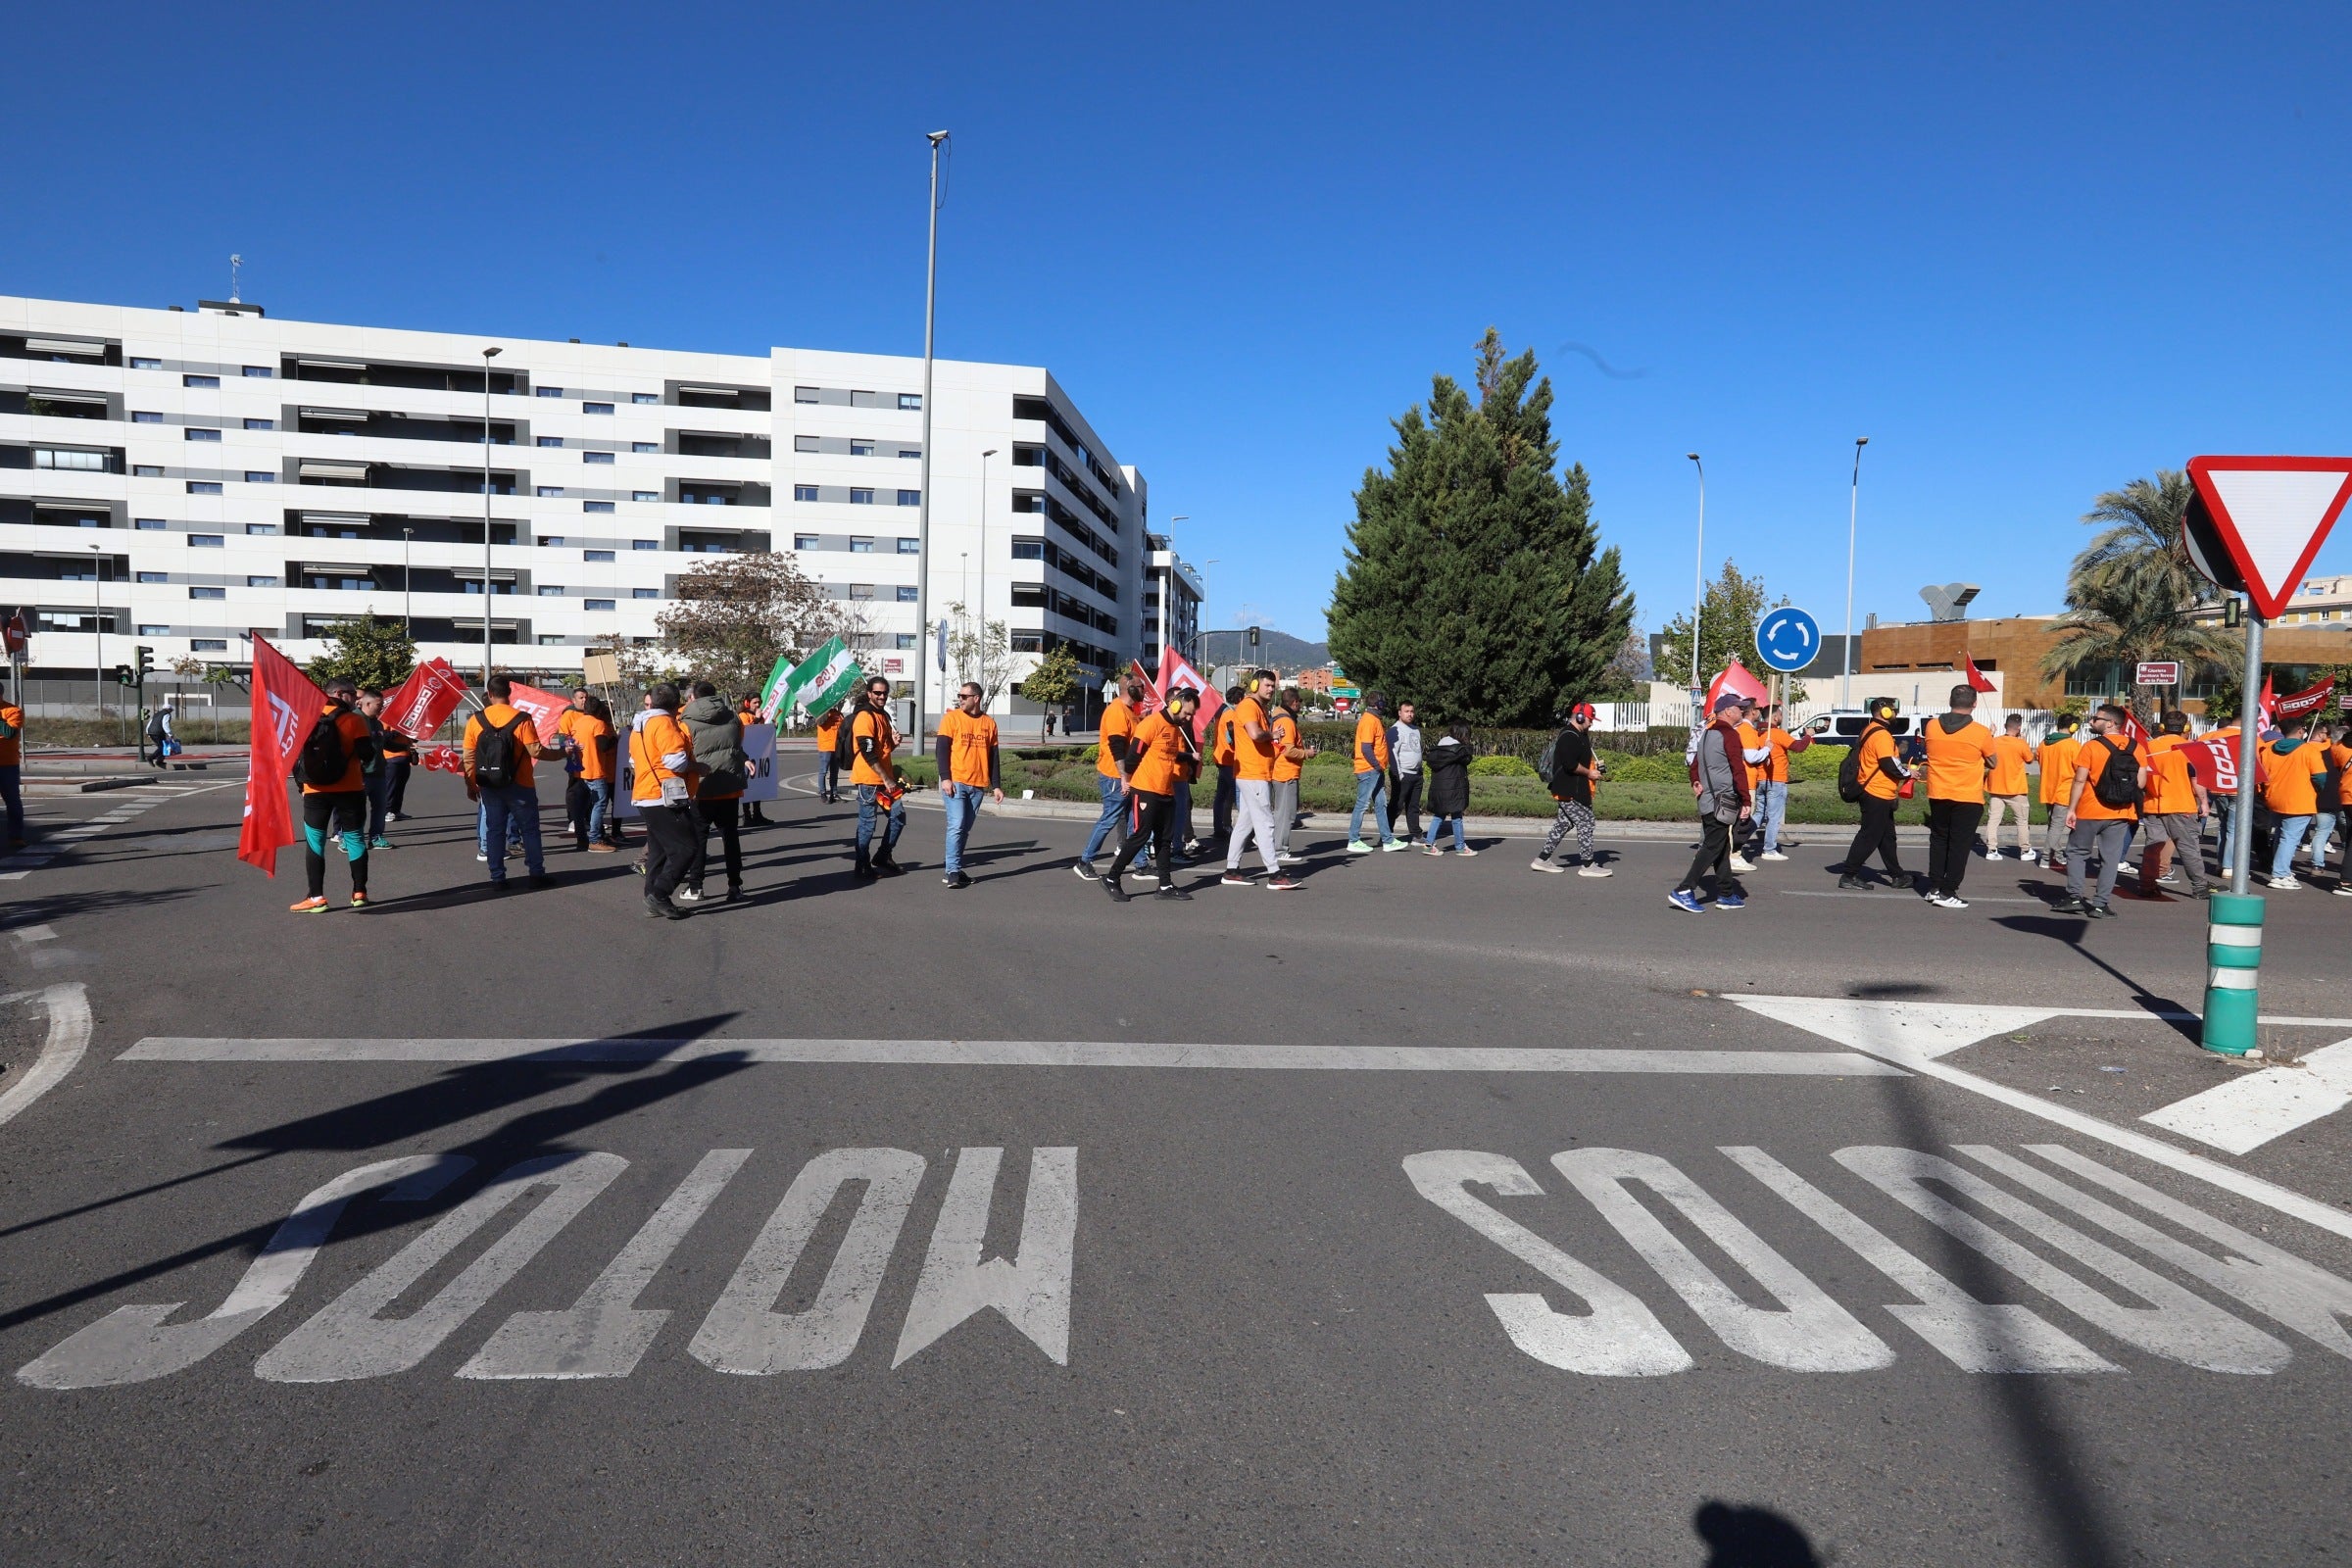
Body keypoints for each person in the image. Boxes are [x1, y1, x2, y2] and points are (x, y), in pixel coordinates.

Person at [463, 674, 561, 894]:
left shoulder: (476, 720)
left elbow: (469, 756)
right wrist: (562, 753)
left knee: (495, 830)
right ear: (510, 694)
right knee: (530, 830)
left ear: (489, 694)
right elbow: (536, 751)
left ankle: (497, 876)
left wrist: (471, 783)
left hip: (489, 784)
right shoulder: (522, 718)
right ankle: (536, 873)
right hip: (521, 784)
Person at [1102, 687, 1200, 903]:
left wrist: (1188, 757)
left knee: (1164, 841)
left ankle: (1164, 886)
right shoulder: (1151, 724)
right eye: (1188, 712)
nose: (1189, 717)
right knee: (1140, 836)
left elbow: (1170, 754)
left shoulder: (1174, 728)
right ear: (1175, 704)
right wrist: (1126, 780)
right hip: (1145, 790)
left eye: (1192, 714)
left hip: (1166, 791)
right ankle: (1112, 878)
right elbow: (1132, 757)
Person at [289, 677, 378, 913]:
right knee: (355, 839)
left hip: (315, 791)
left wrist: (302, 785)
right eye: (352, 694)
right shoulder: (354, 720)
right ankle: (359, 892)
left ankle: (316, 897)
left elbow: (295, 756)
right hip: (350, 789)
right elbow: (368, 755)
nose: (357, 698)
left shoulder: (306, 718)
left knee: (315, 843)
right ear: (339, 694)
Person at [1219, 670, 1300, 889]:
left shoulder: (1259, 708)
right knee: (1265, 823)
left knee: (1245, 824)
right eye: (1267, 685)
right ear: (1255, 684)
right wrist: (1273, 735)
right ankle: (1274, 874)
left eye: (1273, 686)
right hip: (1252, 774)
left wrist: (1275, 743)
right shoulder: (1248, 706)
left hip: (1254, 773)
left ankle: (1231, 870)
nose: (1271, 689)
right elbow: (1255, 734)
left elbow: (1259, 740)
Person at [1918, 685, 1997, 908]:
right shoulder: (1981, 732)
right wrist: (1988, 739)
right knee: (1960, 844)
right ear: (1974, 704)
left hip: (1938, 791)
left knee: (1939, 839)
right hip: (1967, 794)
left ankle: (1934, 888)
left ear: (1950, 700)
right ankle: (1948, 890)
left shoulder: (1932, 726)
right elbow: (1993, 762)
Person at [1671, 694, 1751, 911]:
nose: (1742, 711)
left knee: (1722, 847)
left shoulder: (1707, 734)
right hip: (1723, 800)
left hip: (1707, 799)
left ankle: (1726, 894)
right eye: (1739, 707)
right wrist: (1746, 799)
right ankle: (1684, 890)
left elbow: (1695, 763)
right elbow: (1738, 769)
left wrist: (1695, 780)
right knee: (1712, 846)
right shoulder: (1730, 735)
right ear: (1727, 711)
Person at [631, 682, 701, 918]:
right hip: (664, 795)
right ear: (676, 704)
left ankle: (652, 897)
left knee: (659, 851)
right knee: (686, 848)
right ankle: (659, 894)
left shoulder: (640, 725)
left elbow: (633, 761)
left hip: (646, 793)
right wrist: (698, 767)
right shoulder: (665, 723)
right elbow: (675, 761)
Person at [681, 680, 749, 904]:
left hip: (700, 787)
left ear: (693, 698)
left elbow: (684, 752)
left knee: (699, 839)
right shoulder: (734, 717)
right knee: (730, 838)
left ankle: (695, 886)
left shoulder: (685, 722)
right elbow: (738, 744)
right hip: (729, 787)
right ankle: (735, 886)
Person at [1838, 696, 1912, 891]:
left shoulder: (1871, 730)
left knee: (1887, 837)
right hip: (1875, 792)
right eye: (1893, 710)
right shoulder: (1881, 735)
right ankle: (1849, 875)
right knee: (1869, 836)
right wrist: (1908, 772)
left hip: (1879, 792)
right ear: (1885, 712)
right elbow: (1888, 763)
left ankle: (1898, 876)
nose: (1896, 713)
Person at [1074, 675, 1144, 879]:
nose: (1144, 691)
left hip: (1127, 776)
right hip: (1115, 777)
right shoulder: (1116, 711)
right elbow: (1117, 747)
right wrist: (1124, 777)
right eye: (1141, 687)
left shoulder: (1129, 711)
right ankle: (1085, 860)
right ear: (1130, 689)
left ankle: (1141, 864)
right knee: (1109, 818)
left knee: (1135, 823)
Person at [2137, 710, 2212, 900]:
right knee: (2188, 847)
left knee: (2153, 847)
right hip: (2181, 805)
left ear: (2162, 727)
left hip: (2153, 804)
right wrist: (2203, 802)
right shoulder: (2191, 748)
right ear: (2187, 728)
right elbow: (2197, 780)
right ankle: (2199, 887)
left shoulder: (2148, 746)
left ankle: (2147, 885)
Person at [936, 680, 1003, 889]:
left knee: (964, 829)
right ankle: (953, 871)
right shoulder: (951, 718)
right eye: (959, 696)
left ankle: (953, 868)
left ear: (976, 698)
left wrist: (997, 785)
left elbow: (994, 757)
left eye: (964, 696)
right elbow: (941, 749)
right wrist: (945, 777)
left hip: (978, 786)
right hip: (956, 782)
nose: (960, 699)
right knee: (956, 825)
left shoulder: (989, 723)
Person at [1532, 703, 1608, 876]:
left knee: (1564, 824)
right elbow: (1570, 765)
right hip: (1569, 790)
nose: (1592, 723)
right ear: (1580, 717)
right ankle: (1588, 865)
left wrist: (1594, 769)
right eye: (1590, 719)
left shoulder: (1580, 735)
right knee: (1587, 822)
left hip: (1574, 789)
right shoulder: (1568, 736)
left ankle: (1542, 859)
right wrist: (1589, 773)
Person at [2258, 713, 2327, 890]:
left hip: (2274, 798)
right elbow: (2320, 776)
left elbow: (2261, 775)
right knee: (2289, 838)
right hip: (2299, 800)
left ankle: (2279, 869)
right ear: (2300, 731)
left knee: (2280, 836)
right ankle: (2280, 874)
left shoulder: (2268, 749)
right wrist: (2317, 789)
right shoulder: (2309, 750)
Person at [1740, 703, 1807, 862]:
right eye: (1780, 715)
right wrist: (1808, 736)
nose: (1781, 718)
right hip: (1776, 780)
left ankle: (1739, 840)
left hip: (1761, 779)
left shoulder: (1757, 733)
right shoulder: (1776, 733)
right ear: (1776, 717)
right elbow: (1798, 747)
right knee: (1773, 816)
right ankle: (1769, 849)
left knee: (1759, 814)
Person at [1348, 694, 1407, 853]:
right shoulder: (1369, 720)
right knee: (1362, 804)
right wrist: (1376, 765)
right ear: (1378, 704)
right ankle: (1353, 840)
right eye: (1383, 701)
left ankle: (1387, 840)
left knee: (1381, 804)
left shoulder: (1374, 720)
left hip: (1374, 769)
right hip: (1369, 769)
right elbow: (1366, 748)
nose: (1385, 704)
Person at [1269, 686, 1312, 866]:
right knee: (1287, 814)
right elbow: (1288, 750)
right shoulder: (1287, 721)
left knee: (1281, 813)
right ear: (1294, 703)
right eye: (1300, 701)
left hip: (1281, 771)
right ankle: (1280, 849)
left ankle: (1275, 845)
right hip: (1286, 772)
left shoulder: (1278, 717)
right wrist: (1306, 753)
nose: (1301, 705)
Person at [355, 688, 402, 850]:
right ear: (367, 703)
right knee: (357, 810)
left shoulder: (378, 723)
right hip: (359, 775)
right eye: (379, 705)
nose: (382, 708)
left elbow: (386, 744)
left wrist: (407, 747)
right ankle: (353, 839)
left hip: (379, 773)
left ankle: (376, 837)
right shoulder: (354, 720)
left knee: (380, 808)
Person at [2035, 716, 2082, 872]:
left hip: (2048, 789)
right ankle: (2046, 857)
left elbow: (2038, 759)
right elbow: (2080, 770)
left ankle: (2057, 853)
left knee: (2053, 825)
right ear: (2073, 727)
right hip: (2064, 790)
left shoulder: (2044, 743)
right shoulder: (2073, 746)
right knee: (2057, 826)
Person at [1421, 721, 1474, 855]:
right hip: (1454, 788)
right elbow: (1467, 758)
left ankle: (1429, 844)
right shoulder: (1460, 749)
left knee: (1439, 815)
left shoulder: (1440, 746)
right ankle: (1460, 847)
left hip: (1439, 788)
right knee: (1457, 817)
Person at [1388, 701, 1425, 845]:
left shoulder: (1415, 729)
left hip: (1416, 774)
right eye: (1406, 711)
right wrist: (1399, 774)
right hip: (1402, 774)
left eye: (1412, 711)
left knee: (1414, 806)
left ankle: (1416, 835)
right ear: (1399, 713)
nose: (1410, 714)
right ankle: (1387, 834)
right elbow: (1392, 753)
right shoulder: (1395, 730)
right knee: (1396, 806)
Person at [1210, 685, 1244, 844]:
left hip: (1221, 758)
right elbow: (1231, 737)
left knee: (1222, 796)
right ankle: (1243, 829)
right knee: (1239, 796)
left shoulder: (1221, 712)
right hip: (1230, 759)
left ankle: (1220, 826)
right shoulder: (1231, 714)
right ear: (1238, 700)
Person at [737, 692, 770, 824]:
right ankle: (747, 815)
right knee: (747, 786)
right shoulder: (742, 716)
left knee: (757, 784)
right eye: (755, 702)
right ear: (747, 703)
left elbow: (760, 733)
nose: (758, 705)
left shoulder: (760, 716)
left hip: (758, 753)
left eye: (759, 702)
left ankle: (757, 813)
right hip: (746, 755)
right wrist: (756, 719)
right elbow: (747, 732)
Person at [0, 676, 24, 849]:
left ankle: (16, 836)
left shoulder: (13, 711)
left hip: (7, 765)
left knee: (12, 801)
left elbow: (9, 733)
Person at [812, 703, 845, 803]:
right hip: (826, 747)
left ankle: (834, 793)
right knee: (823, 771)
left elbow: (843, 729)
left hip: (837, 748)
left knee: (834, 772)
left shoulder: (839, 714)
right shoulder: (821, 714)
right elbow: (820, 722)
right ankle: (823, 792)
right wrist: (826, 710)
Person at [145, 701, 175, 768]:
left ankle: (160, 760)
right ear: (169, 709)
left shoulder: (156, 714)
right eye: (171, 710)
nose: (171, 711)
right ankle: (150, 758)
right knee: (163, 747)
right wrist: (170, 733)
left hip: (151, 732)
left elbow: (150, 723)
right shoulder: (166, 714)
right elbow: (165, 724)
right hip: (158, 732)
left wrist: (148, 732)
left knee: (162, 747)